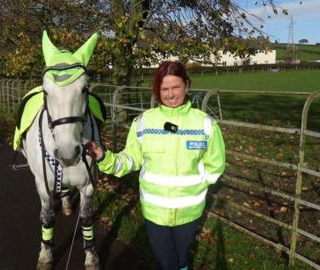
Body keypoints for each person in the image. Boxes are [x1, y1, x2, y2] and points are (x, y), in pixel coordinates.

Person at [87, 61, 225, 270]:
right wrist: (103, 157)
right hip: (155, 212)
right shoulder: (143, 123)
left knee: (182, 259)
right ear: (157, 90)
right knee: (167, 263)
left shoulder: (205, 124)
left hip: (189, 211)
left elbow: (215, 166)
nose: (170, 95)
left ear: (186, 85)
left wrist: (199, 185)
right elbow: (129, 160)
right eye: (164, 89)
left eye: (175, 87)